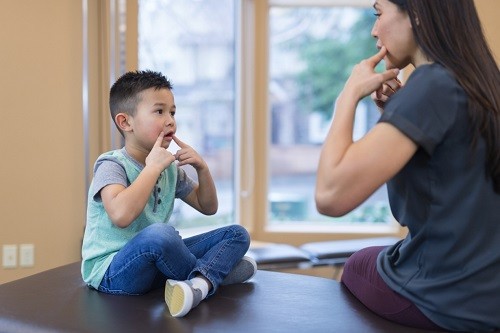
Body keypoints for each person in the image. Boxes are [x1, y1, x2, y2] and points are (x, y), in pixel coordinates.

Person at [315, 0, 500, 331]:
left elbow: (331, 195)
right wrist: (397, 113)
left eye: (378, 13)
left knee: (358, 263)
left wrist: (348, 95)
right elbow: (449, 180)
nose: (374, 30)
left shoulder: (431, 84)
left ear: (415, 13)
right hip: (489, 297)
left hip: (447, 300)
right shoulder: (482, 84)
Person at [81, 70, 256, 318]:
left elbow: (207, 207)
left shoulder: (169, 169)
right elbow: (121, 215)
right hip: (112, 272)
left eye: (172, 112)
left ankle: (199, 284)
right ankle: (212, 274)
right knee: (161, 234)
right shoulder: (112, 165)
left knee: (237, 234)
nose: (170, 120)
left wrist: (202, 169)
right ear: (125, 122)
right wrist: (152, 168)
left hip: (153, 266)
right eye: (159, 111)